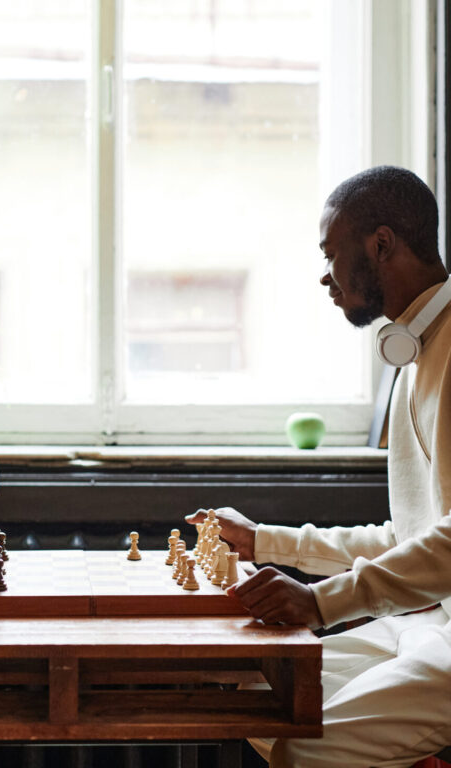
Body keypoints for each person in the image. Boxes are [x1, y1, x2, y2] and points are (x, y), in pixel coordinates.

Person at [187, 166, 451, 768]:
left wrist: (319, 602)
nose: (325, 276)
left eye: (331, 253)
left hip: (443, 629)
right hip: (424, 619)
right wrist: (264, 542)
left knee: (303, 751)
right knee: (249, 688)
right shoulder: (415, 352)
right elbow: (409, 539)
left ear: (380, 245)